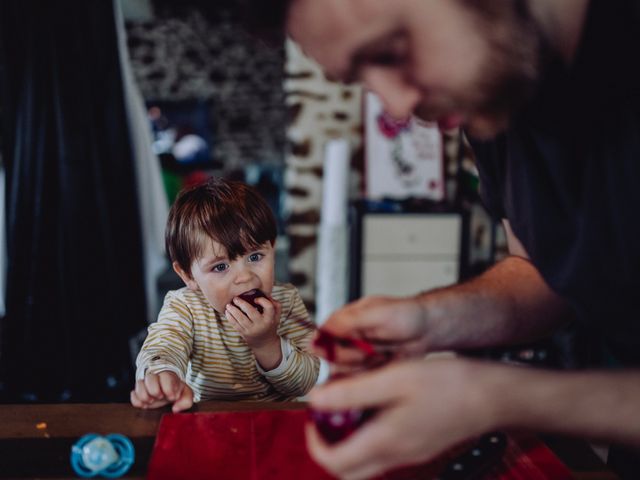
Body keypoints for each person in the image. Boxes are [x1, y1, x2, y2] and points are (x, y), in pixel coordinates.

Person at [239, 0, 640, 478]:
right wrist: (428, 319)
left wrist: (498, 398)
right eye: (360, 78)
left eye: (391, 50)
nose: (398, 106)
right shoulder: (502, 95)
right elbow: (544, 274)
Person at [131, 178, 319, 412]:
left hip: (274, 423)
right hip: (207, 421)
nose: (245, 277)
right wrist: (163, 376)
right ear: (188, 275)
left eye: (255, 257)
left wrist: (266, 343)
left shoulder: (287, 301)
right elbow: (164, 347)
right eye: (220, 267)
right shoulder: (185, 306)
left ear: (272, 247)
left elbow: (305, 383)